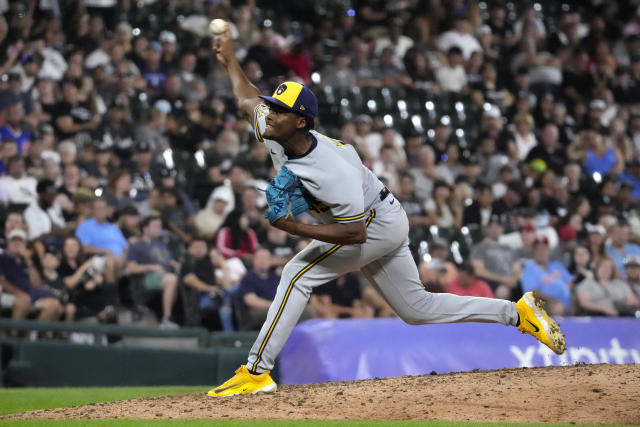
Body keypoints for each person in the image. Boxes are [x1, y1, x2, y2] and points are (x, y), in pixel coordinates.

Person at [207, 27, 566, 397]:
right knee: (417, 308)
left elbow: (355, 235)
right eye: (273, 107)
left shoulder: (332, 170)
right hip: (382, 215)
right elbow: (247, 98)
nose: (270, 115)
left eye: (279, 111)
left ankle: (256, 371)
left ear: (300, 121)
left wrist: (293, 227)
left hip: (372, 223)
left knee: (297, 273)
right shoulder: (276, 129)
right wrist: (231, 60)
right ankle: (518, 313)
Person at [125, 216, 180, 329]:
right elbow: (131, 268)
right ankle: (166, 319)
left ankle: (171, 317)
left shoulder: (162, 244)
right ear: (145, 229)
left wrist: (177, 265)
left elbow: (169, 261)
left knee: (178, 278)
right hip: (146, 278)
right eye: (155, 226)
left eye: (160, 226)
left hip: (166, 274)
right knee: (171, 279)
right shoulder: (137, 245)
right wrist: (151, 267)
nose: (159, 229)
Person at [0, 229, 63, 325]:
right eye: (14, 240)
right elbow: (1, 281)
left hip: (30, 295)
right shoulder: (3, 258)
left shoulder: (26, 261)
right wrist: (18, 293)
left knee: (55, 305)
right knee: (22, 303)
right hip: (8, 294)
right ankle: (12, 338)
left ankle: (32, 335)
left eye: (20, 241)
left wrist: (29, 261)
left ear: (25, 245)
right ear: (8, 243)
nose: (17, 244)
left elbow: (37, 284)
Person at [521, 237, 573, 316]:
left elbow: (570, 282)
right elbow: (532, 292)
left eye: (544, 249)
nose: (541, 252)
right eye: (538, 249)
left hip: (566, 302)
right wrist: (552, 300)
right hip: (547, 304)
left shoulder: (556, 265)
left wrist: (569, 295)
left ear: (549, 251)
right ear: (533, 252)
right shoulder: (530, 268)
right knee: (557, 308)